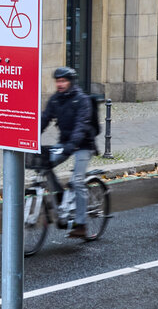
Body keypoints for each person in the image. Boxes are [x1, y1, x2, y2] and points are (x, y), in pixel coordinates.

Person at [40, 67, 97, 238]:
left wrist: (72, 144)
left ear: (71, 82)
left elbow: (81, 124)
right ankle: (60, 196)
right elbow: (44, 119)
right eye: (58, 81)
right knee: (45, 164)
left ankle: (81, 225)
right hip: (65, 143)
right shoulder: (55, 100)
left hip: (83, 144)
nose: (60, 84)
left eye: (63, 81)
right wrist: (30, 138)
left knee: (77, 181)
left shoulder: (82, 100)